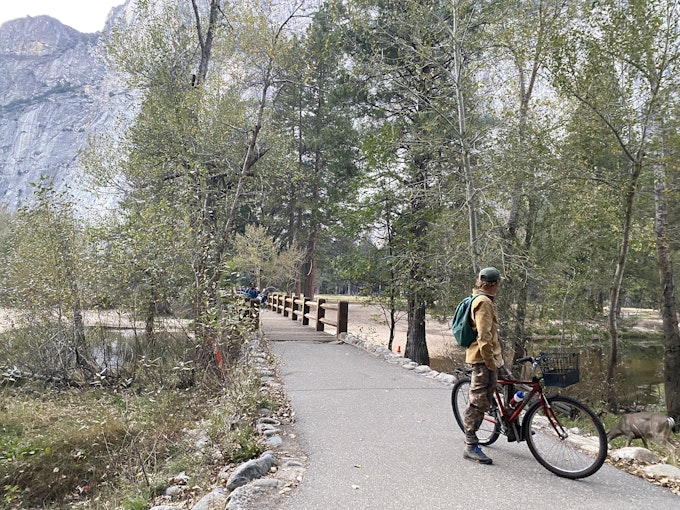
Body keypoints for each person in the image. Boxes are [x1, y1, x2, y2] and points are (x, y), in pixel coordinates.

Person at [462, 266, 508, 465]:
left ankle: (508, 422)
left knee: (509, 384)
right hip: (483, 360)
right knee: (478, 401)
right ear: (494, 284)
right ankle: (470, 445)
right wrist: (491, 364)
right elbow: (484, 337)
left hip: (491, 357)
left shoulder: (483, 299)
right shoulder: (483, 303)